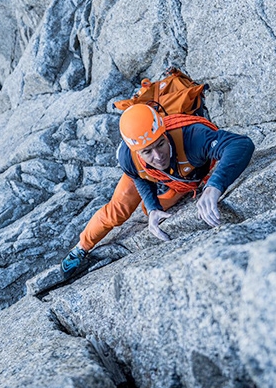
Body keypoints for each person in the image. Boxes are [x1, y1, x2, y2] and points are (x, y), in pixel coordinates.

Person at [60, 102, 254, 273]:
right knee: (117, 210)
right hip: (170, 174)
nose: (158, 156)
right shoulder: (128, 158)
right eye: (147, 151)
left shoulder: (192, 137)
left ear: (165, 133)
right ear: (137, 152)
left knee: (158, 204)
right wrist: (153, 208)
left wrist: (214, 186)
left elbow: (240, 145)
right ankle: (81, 247)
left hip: (184, 174)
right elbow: (139, 176)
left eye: (160, 144)